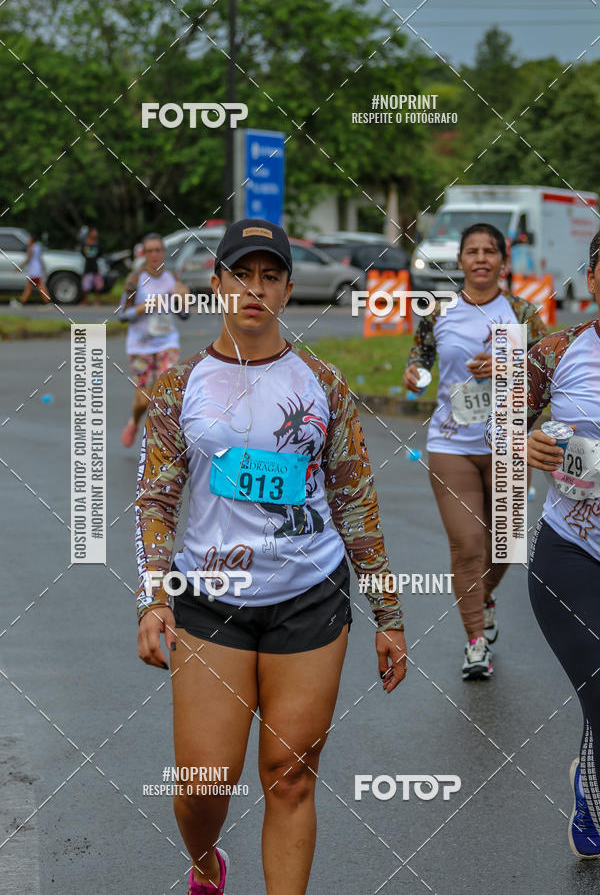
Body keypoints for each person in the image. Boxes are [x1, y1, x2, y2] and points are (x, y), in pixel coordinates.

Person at [135, 219, 407, 894]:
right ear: (217, 283)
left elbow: (356, 504)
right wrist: (154, 597)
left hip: (310, 598)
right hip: (209, 603)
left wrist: (389, 614)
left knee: (289, 778)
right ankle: (205, 865)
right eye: (241, 274)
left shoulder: (323, 385)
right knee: (204, 786)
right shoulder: (179, 388)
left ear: (287, 289)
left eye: (270, 275)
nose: (254, 289)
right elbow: (156, 501)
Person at [402, 222, 547, 680]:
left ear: (504, 261)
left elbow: (547, 374)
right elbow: (419, 359)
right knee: (467, 546)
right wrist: (413, 375)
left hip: (508, 440)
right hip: (451, 443)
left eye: (491, 251)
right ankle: (474, 643)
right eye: (472, 251)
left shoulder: (522, 312)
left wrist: (509, 365)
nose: (481, 258)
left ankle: (482, 597)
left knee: (505, 545)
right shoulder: (438, 311)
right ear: (460, 260)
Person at [524, 230, 600, 858]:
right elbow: (497, 425)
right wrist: (525, 444)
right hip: (571, 552)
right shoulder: (558, 349)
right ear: (594, 279)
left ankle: (591, 792)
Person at [119, 232, 187, 448]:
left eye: (158, 250)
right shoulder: (134, 280)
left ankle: (160, 442)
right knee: (143, 400)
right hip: (140, 345)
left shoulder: (172, 278)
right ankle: (134, 420)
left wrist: (183, 300)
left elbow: (184, 314)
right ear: (144, 253)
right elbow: (122, 315)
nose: (154, 255)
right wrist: (143, 307)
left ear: (164, 252)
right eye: (150, 251)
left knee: (165, 389)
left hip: (167, 342)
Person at [10, 235, 52, 307]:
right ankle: (22, 302)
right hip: (37, 270)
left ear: (32, 240)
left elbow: (28, 260)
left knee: (38, 287)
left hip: (34, 271)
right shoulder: (37, 247)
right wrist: (44, 270)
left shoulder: (31, 248)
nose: (27, 241)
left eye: (29, 239)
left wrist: (18, 267)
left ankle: (48, 302)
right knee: (32, 287)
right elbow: (40, 260)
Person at [81, 227, 104, 305]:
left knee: (97, 286)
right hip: (87, 267)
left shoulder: (98, 243)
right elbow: (82, 253)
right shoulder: (84, 243)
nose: (96, 234)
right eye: (94, 232)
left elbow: (100, 253)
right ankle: (84, 300)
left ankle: (97, 301)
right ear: (90, 233)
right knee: (85, 286)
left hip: (95, 267)